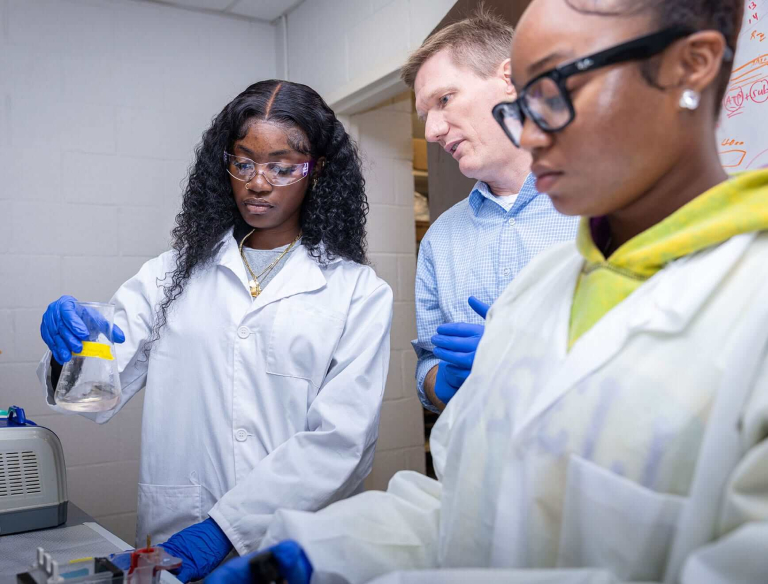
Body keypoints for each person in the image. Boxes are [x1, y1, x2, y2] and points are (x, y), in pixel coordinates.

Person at [209, 0, 768, 582]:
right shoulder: (536, 293)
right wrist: (320, 555)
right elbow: (464, 506)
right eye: (520, 95)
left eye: (550, 86)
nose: (523, 126)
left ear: (689, 66)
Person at [37, 80, 393, 582]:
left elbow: (343, 441)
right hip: (175, 536)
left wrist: (224, 530)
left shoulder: (357, 291)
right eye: (243, 162)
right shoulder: (171, 274)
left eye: (282, 166)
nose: (258, 182)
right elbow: (95, 393)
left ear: (318, 172)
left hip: (294, 543)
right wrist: (71, 348)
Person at [404, 9, 578, 413]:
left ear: (509, 80)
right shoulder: (440, 239)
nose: (432, 131)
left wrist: (526, 354)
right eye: (424, 116)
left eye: (444, 99)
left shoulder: (603, 205)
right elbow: (427, 366)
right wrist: (442, 383)